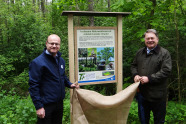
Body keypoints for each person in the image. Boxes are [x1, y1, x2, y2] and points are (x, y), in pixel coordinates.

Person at [29, 34, 79, 124]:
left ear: (59, 45)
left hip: (59, 103)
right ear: (46, 44)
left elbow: (62, 76)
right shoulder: (37, 62)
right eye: (51, 43)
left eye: (57, 44)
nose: (54, 46)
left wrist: (70, 84)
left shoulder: (61, 60)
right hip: (46, 105)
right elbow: (33, 85)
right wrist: (39, 106)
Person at [131, 29, 172, 124]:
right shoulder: (140, 52)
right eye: (147, 38)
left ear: (157, 39)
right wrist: (135, 75)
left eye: (152, 38)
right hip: (142, 93)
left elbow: (166, 71)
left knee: (159, 121)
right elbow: (133, 65)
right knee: (143, 120)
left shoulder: (164, 53)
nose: (150, 40)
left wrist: (149, 78)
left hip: (158, 95)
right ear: (145, 40)